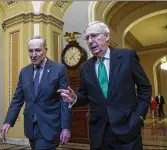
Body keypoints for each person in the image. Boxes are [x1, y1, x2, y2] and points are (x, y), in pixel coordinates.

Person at [58, 21, 152, 150]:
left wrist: (139, 116)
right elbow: (85, 95)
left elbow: (145, 88)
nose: (90, 41)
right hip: (99, 133)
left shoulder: (127, 56)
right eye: (87, 38)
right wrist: (75, 99)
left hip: (128, 129)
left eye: (94, 36)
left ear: (107, 36)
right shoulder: (85, 67)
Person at [0, 36, 72, 150]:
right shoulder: (24, 72)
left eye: (38, 50)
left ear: (45, 50)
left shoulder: (59, 69)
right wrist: (8, 121)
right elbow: (17, 99)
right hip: (31, 128)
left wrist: (66, 127)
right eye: (30, 50)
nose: (33, 54)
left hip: (50, 127)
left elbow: (65, 101)